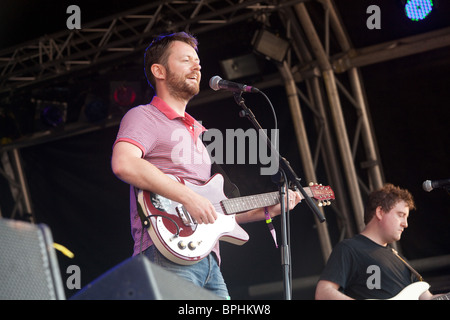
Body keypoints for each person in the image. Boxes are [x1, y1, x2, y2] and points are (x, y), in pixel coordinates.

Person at [111, 32, 302, 299]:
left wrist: (266, 210)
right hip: (166, 253)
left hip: (208, 261)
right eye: (186, 60)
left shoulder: (199, 132)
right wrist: (188, 197)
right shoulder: (144, 116)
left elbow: (212, 211)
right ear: (159, 71)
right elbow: (124, 163)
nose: (197, 66)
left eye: (198, 62)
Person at [315, 183, 442, 300]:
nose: (405, 224)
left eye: (406, 217)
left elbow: (428, 297)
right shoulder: (349, 248)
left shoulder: (401, 261)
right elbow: (323, 293)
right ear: (380, 212)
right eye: (400, 215)